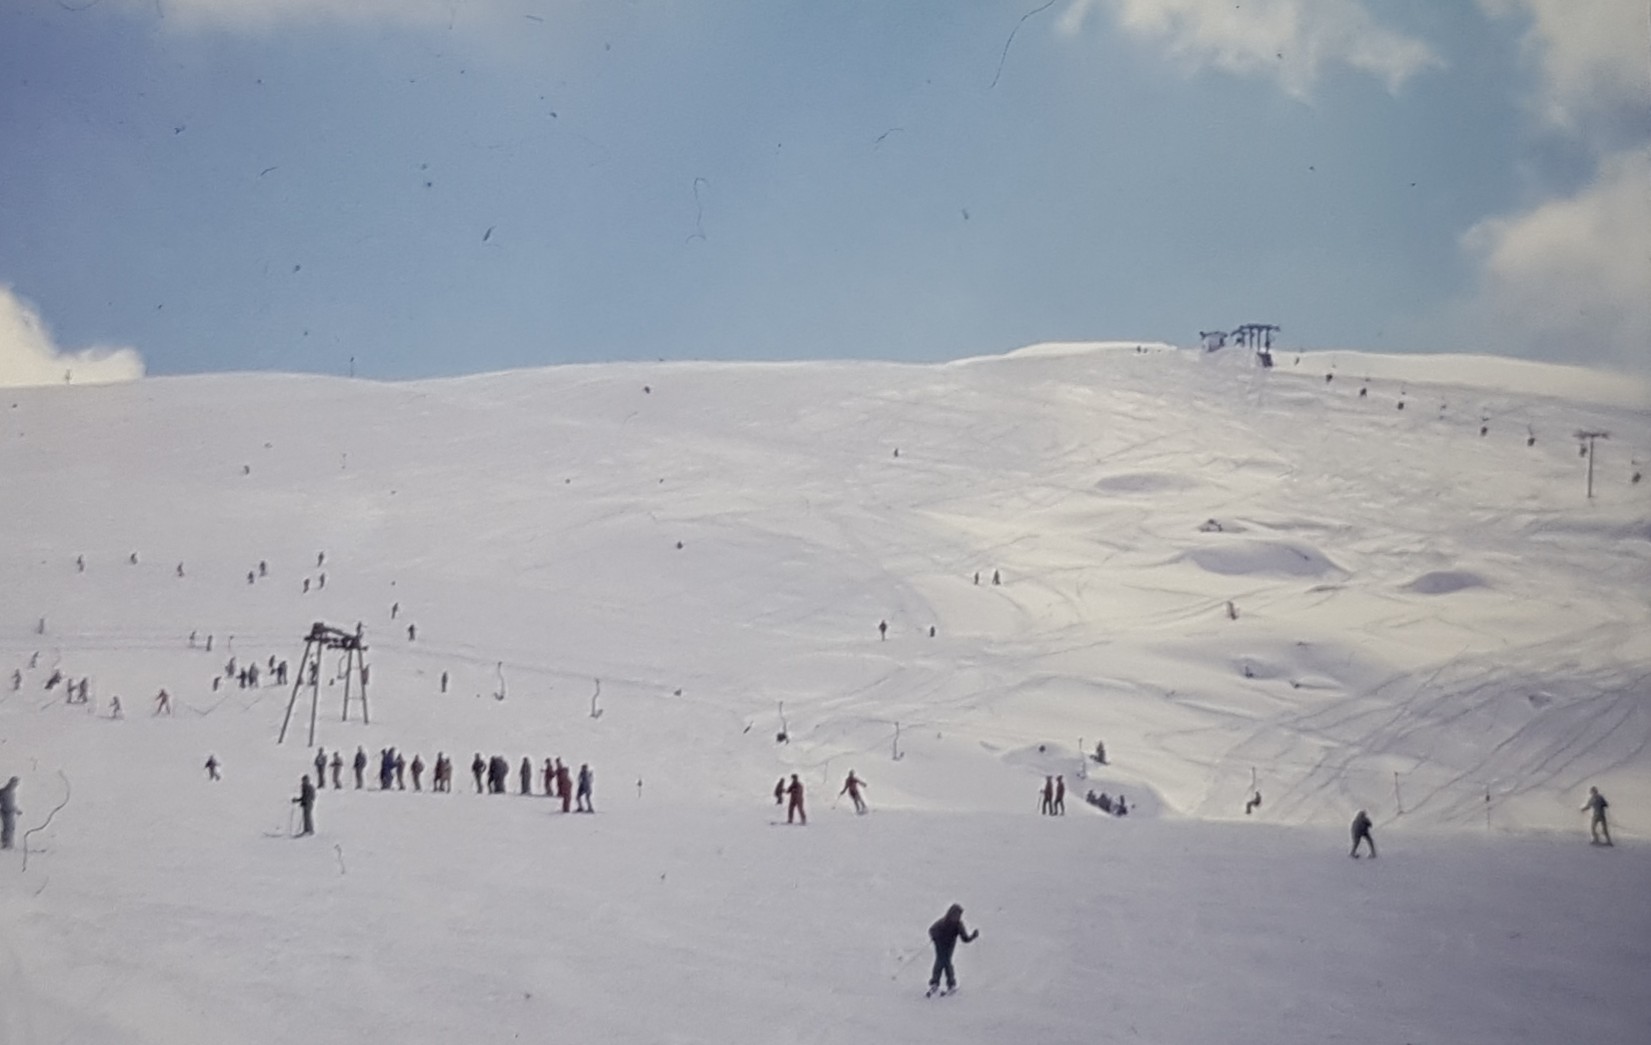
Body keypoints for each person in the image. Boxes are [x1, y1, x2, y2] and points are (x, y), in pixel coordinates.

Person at [926, 903, 979, 996]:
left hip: (950, 946)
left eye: (958, 915)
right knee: (941, 961)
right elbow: (931, 930)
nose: (957, 917)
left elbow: (965, 939)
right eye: (955, 915)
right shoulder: (943, 922)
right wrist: (934, 936)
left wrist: (973, 936)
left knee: (946, 962)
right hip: (940, 944)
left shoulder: (959, 925)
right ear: (950, 914)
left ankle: (949, 984)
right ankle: (937, 983)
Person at [0, 776, 20, 850]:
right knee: (8, 828)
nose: (16, 786)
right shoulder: (5, 792)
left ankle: (9, 843)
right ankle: (6, 843)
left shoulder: (11, 792)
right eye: (15, 783)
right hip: (6, 812)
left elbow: (11, 803)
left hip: (10, 812)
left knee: (10, 828)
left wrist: (16, 810)